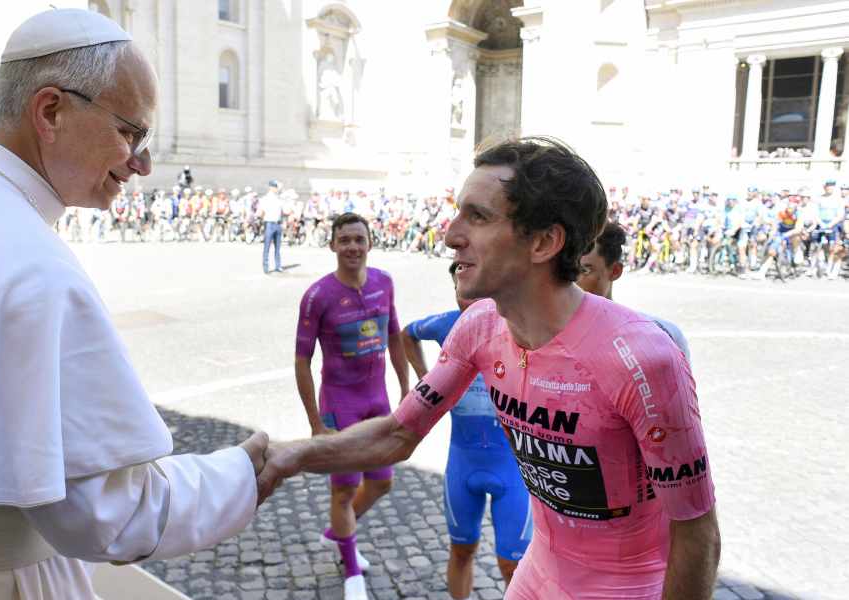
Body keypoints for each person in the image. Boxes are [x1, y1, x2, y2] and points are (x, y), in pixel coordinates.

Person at [0, 9, 269, 599]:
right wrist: (248, 471)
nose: (142, 163)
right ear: (51, 111)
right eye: (131, 132)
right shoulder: (38, 270)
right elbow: (115, 515)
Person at [261, 137, 720, 600]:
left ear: (544, 242)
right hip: (538, 574)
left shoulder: (644, 357)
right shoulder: (480, 324)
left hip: (625, 588)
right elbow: (399, 434)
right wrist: (291, 456)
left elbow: (698, 530)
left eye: (477, 216)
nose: (449, 234)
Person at [294, 213, 409, 600]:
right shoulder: (318, 296)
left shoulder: (384, 282)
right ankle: (350, 568)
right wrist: (315, 422)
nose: (352, 247)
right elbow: (301, 361)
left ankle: (339, 530)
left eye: (359, 239)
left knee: (382, 481)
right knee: (343, 492)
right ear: (332, 245)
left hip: (377, 399)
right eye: (344, 240)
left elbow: (394, 336)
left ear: (370, 243)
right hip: (339, 403)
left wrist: (407, 389)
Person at [401, 262, 531, 599]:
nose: (470, 299)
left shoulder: (517, 326)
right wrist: (425, 379)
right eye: (462, 291)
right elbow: (408, 334)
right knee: (460, 551)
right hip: (463, 463)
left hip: (512, 469)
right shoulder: (447, 324)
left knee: (513, 566)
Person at [578, 221, 691, 362]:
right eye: (566, 269)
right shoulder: (547, 336)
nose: (572, 280)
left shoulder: (663, 337)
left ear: (615, 271)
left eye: (585, 270)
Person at [260, 179, 284, 273]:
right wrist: (263, 222)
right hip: (269, 223)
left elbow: (281, 211)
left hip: (278, 223)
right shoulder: (266, 198)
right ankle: (265, 266)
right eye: (275, 187)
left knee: (277, 247)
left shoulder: (278, 198)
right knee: (267, 247)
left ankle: (278, 265)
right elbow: (262, 211)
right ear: (271, 187)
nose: (277, 189)